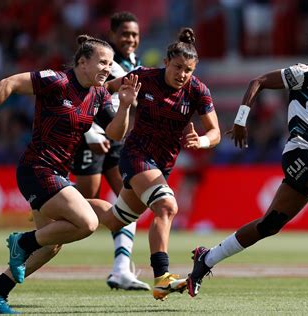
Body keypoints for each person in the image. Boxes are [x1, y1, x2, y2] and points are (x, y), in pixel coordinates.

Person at [186, 26, 308, 297]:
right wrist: (241, 119)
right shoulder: (307, 73)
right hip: (302, 154)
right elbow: (259, 81)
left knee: (268, 225)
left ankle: (206, 259)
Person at [0, 35, 141, 314]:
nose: (107, 68)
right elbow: (8, 83)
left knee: (51, 246)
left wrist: (125, 106)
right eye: (102, 62)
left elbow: (115, 134)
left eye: (110, 64)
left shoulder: (98, 95)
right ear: (82, 63)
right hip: (37, 168)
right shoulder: (56, 80)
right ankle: (21, 241)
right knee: (85, 223)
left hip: (56, 172)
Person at [95, 27, 221, 301]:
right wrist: (105, 117)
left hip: (161, 166)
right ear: (166, 62)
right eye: (177, 67)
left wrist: (201, 141)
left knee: (115, 219)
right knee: (167, 205)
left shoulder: (198, 91)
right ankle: (162, 277)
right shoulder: (143, 78)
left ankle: (62, 205)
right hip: (135, 155)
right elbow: (103, 91)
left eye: (188, 69)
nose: (182, 75)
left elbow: (215, 133)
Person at [70, 11, 149, 291]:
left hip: (117, 141)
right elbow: (87, 94)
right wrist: (91, 133)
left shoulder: (133, 63)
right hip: (92, 138)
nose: (131, 39)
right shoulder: (104, 61)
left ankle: (120, 270)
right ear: (113, 35)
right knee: (80, 205)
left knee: (129, 201)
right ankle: (43, 213)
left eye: (135, 34)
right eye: (126, 33)